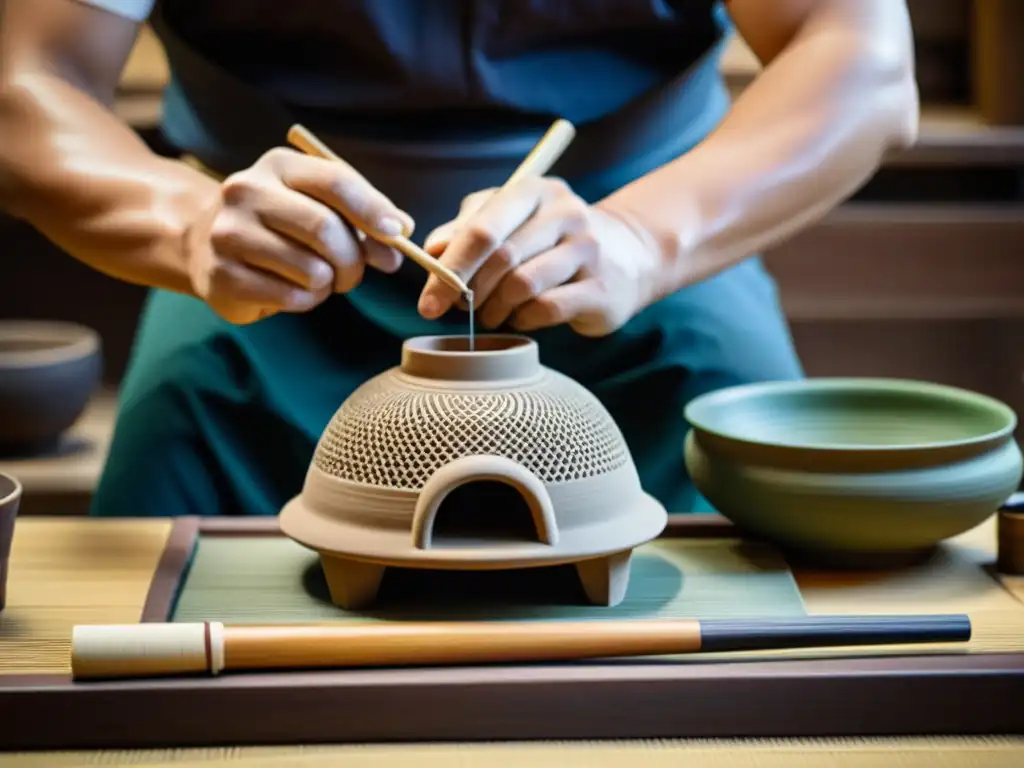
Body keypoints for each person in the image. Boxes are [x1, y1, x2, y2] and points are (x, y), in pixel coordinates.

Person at [0, 0, 919, 518]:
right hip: (270, 255)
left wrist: (641, 240)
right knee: (152, 599)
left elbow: (862, 53)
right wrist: (191, 227)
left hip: (635, 254)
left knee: (753, 613)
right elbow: (28, 79)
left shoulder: (639, 243)